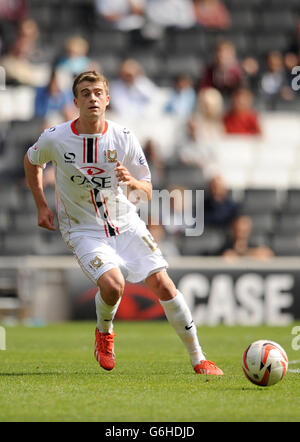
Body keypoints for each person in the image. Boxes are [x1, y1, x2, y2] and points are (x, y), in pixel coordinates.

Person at [24, 70, 223, 376]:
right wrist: (41, 205)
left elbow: (147, 187)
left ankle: (199, 359)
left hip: (125, 222)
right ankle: (105, 333)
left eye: (97, 92)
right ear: (76, 100)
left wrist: (133, 182)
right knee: (114, 285)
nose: (92, 98)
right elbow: (31, 161)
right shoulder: (56, 138)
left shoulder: (123, 137)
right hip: (82, 228)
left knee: (164, 284)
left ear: (107, 98)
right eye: (86, 93)